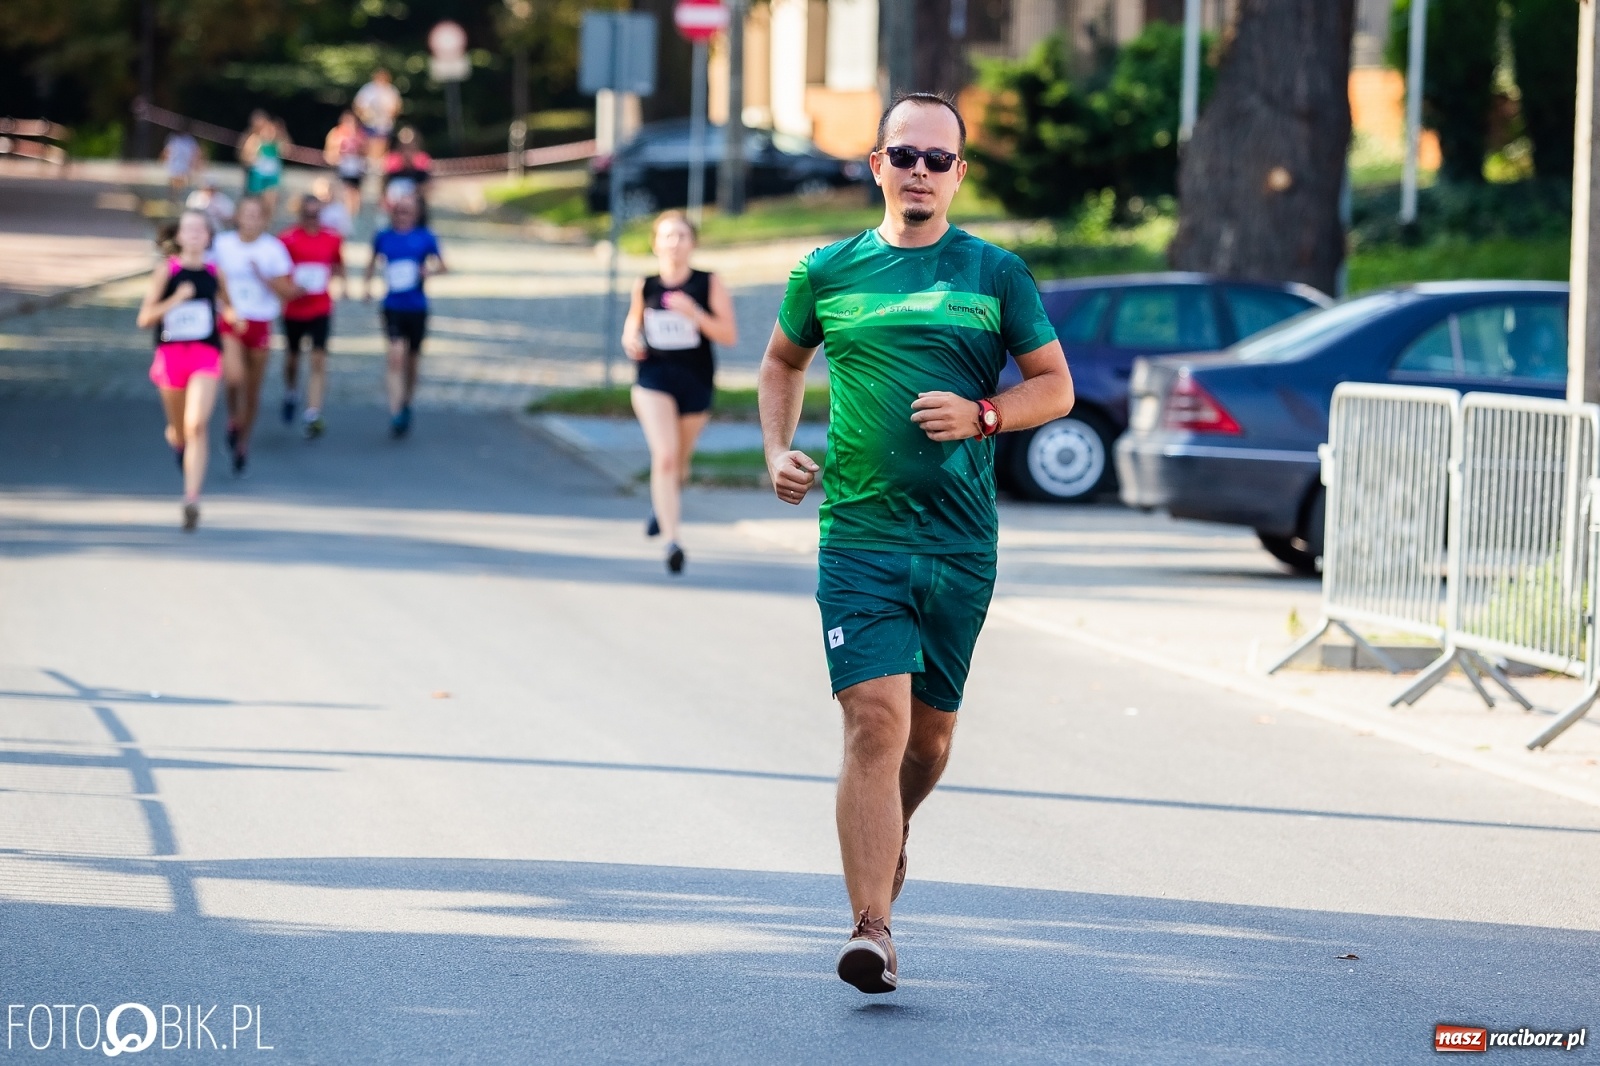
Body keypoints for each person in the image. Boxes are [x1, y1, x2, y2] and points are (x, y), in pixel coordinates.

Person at [757, 92, 1074, 994]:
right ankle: (871, 927)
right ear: (877, 165)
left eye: (939, 159)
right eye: (905, 155)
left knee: (928, 739)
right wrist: (779, 450)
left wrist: (984, 413)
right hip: (856, 533)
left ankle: (889, 842)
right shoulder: (827, 270)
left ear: (959, 174)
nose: (921, 172)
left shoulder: (995, 273)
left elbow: (1054, 387)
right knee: (874, 724)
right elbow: (782, 363)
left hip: (960, 543)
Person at [621, 211, 737, 574]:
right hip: (653, 379)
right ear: (656, 244)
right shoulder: (646, 284)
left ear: (692, 243)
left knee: (680, 463)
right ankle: (673, 541)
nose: (674, 243)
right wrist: (631, 340)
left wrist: (694, 313)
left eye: (682, 236)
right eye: (667, 236)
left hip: (696, 381)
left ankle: (662, 503)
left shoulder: (708, 283)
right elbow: (633, 325)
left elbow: (728, 335)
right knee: (667, 456)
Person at [136, 210, 234, 531]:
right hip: (171, 356)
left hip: (205, 354)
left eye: (200, 229)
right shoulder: (167, 272)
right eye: (187, 228)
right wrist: (176, 299)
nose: (193, 234)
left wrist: (234, 317)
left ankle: (191, 498)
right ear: (178, 236)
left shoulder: (215, 273)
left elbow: (228, 306)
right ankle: (178, 445)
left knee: (197, 425)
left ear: (208, 237)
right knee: (179, 430)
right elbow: (145, 318)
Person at [212, 195, 296, 474]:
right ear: (237, 216)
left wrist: (265, 278)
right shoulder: (223, 245)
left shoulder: (273, 249)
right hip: (232, 319)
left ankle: (243, 443)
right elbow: (211, 280)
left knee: (253, 387)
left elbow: (287, 291)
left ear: (264, 219)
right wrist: (227, 305)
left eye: (255, 215)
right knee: (233, 375)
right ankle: (233, 418)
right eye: (245, 214)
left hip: (261, 321)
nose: (250, 220)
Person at [364, 194, 444, 438]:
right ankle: (396, 410)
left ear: (416, 213)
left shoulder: (425, 237)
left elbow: (443, 265)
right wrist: (366, 287)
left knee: (412, 361)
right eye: (398, 211)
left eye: (407, 211)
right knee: (395, 356)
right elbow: (371, 262)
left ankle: (407, 401)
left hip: (417, 306)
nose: (402, 215)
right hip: (392, 305)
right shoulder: (383, 237)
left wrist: (427, 271)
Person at [279, 193, 346, 439]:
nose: (311, 219)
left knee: (318, 359)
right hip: (295, 308)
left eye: (315, 214)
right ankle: (291, 392)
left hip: (321, 307)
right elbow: (278, 270)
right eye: (307, 214)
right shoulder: (287, 239)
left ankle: (313, 413)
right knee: (293, 359)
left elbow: (338, 264)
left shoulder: (332, 238)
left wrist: (344, 284)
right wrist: (288, 290)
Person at [240, 112, 287, 219]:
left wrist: (283, 133)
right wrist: (252, 159)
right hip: (258, 175)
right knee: (255, 201)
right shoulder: (255, 140)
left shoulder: (277, 142)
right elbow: (245, 156)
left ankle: (267, 222)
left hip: (272, 176)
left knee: (270, 201)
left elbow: (286, 151)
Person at [381, 127, 433, 223]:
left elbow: (427, 183)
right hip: (395, 206)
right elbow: (386, 181)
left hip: (416, 207)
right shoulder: (392, 159)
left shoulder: (422, 160)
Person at [323, 111, 367, 221]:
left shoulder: (360, 134)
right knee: (343, 191)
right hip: (341, 166)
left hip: (356, 167)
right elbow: (329, 150)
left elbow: (366, 151)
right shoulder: (336, 133)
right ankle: (345, 216)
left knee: (354, 192)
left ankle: (354, 216)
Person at [353, 69, 402, 168]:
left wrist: (388, 113)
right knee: (369, 144)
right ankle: (369, 165)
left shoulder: (391, 91)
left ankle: (378, 166)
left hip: (384, 123)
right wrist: (365, 114)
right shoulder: (368, 90)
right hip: (370, 123)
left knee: (382, 144)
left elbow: (396, 108)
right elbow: (358, 105)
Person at [161, 123, 201, 196]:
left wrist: (194, 164)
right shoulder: (173, 138)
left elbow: (195, 153)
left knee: (182, 183)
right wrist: (164, 160)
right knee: (173, 182)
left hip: (184, 165)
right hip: (174, 164)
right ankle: (172, 197)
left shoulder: (189, 139)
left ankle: (180, 196)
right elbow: (167, 151)